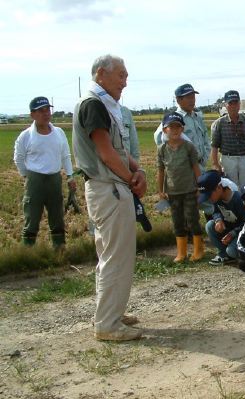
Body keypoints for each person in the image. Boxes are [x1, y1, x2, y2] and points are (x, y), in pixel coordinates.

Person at [72, 54, 147, 341]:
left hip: (110, 188)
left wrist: (137, 169)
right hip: (110, 188)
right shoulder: (93, 104)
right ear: (102, 73)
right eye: (122, 76)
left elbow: (116, 148)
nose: (125, 83)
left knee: (111, 254)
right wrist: (132, 179)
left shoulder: (101, 104)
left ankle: (111, 313)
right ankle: (107, 324)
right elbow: (106, 152)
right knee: (117, 256)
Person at [14, 96, 76, 247]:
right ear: (32, 115)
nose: (46, 113)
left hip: (54, 180)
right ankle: (28, 255)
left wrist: (70, 176)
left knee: (57, 218)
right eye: (41, 111)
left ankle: (59, 250)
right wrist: (27, 176)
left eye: (47, 109)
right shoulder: (26, 136)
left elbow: (65, 155)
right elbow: (19, 158)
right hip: (35, 181)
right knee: (32, 219)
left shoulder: (59, 133)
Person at [157, 112, 203, 263]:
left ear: (182, 129)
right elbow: (161, 170)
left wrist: (199, 186)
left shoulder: (188, 147)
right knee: (177, 221)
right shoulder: (162, 149)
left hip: (189, 189)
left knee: (192, 220)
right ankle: (181, 253)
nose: (175, 130)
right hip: (173, 192)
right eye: (171, 127)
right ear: (165, 130)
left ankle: (198, 250)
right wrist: (160, 190)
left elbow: (195, 167)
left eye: (178, 127)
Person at [154, 84, 211, 172]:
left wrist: (204, 158)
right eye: (188, 97)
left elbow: (206, 140)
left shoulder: (197, 117)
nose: (192, 101)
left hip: (200, 166)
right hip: (184, 168)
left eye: (193, 97)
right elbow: (159, 138)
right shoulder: (174, 118)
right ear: (178, 100)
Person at [199, 170, 245, 266]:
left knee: (232, 251)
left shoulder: (238, 198)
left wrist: (233, 233)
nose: (208, 198)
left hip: (241, 232)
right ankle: (224, 253)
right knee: (209, 225)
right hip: (229, 230)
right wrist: (218, 220)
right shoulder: (216, 198)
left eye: (209, 195)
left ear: (219, 187)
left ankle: (233, 254)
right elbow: (216, 211)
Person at [211, 90, 245, 187]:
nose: (233, 106)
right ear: (225, 105)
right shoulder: (219, 123)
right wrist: (215, 163)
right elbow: (214, 145)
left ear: (239, 104)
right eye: (230, 103)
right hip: (228, 158)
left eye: (235, 103)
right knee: (231, 187)